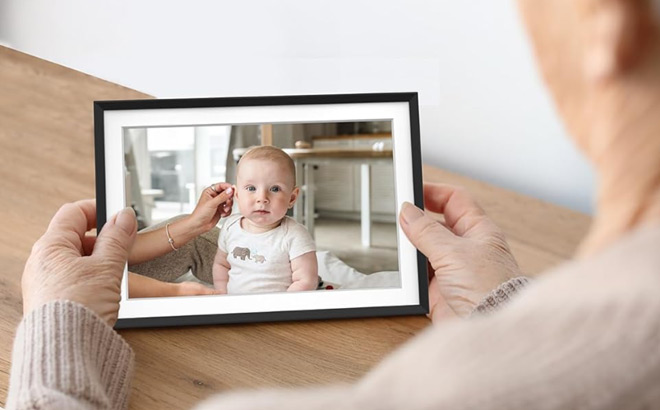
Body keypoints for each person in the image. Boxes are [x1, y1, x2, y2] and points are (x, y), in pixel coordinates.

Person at [8, 0, 660, 408]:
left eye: (273, 191)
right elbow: (205, 263)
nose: (259, 200)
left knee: (345, 276)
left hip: (292, 289)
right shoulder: (224, 225)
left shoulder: (293, 238)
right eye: (250, 187)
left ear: (606, 20)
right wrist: (500, 308)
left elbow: (302, 273)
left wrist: (59, 341)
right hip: (234, 289)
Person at [213, 146, 318, 294]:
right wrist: (222, 293)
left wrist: (281, 308)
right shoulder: (230, 227)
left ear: (292, 198)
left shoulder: (295, 235)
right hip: (236, 308)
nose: (262, 198)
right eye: (251, 188)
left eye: (275, 189)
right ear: (237, 195)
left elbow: (306, 280)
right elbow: (221, 265)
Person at [127, 181, 235, 298]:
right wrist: (176, 291)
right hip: (110, 283)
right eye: (251, 189)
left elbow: (114, 252)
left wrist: (195, 224)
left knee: (193, 236)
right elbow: (106, 277)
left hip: (113, 257)